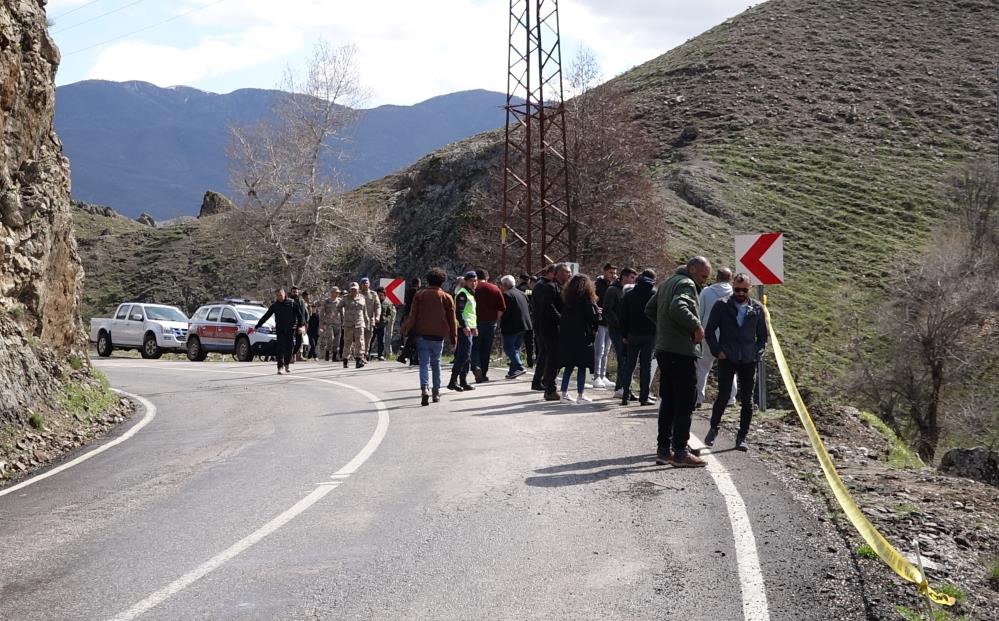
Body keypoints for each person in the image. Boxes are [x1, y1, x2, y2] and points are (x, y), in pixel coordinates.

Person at [645, 256, 712, 467]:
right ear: (692, 270)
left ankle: (664, 450)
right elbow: (678, 306)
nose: (703, 282)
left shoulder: (667, 282)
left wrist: (666, 329)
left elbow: (649, 309)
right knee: (684, 403)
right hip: (682, 351)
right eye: (702, 276)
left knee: (669, 401)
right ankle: (681, 452)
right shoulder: (686, 283)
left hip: (665, 349)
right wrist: (696, 327)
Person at [704, 273, 768, 451]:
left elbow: (763, 336)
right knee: (723, 396)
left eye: (744, 290)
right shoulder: (721, 305)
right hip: (728, 357)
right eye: (737, 289)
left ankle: (742, 437)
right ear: (732, 286)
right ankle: (714, 427)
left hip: (749, 359)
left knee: (747, 400)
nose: (740, 293)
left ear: (750, 288)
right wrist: (718, 351)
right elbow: (709, 331)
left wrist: (758, 353)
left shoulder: (757, 308)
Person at [402, 268, 457, 406]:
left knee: (423, 364)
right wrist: (453, 338)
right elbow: (452, 319)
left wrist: (407, 329)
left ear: (428, 280)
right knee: (436, 363)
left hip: (422, 334)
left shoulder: (420, 295)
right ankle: (436, 391)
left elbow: (413, 315)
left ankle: (424, 388)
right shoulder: (447, 297)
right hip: (438, 336)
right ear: (443, 282)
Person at [696, 267, 737, 408]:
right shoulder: (734, 293)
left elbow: (699, 313)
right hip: (729, 336)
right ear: (730, 278)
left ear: (717, 277)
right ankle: (730, 398)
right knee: (730, 367)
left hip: (708, 334)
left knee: (702, 367)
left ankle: (698, 398)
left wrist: (697, 331)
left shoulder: (706, 292)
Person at [557, 274, 600, 402]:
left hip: (568, 338)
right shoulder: (587, 301)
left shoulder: (567, 301)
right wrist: (597, 313)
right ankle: (580, 395)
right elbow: (594, 320)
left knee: (569, 366)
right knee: (582, 366)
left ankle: (563, 393)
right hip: (583, 337)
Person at [619, 269, 658, 405]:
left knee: (629, 365)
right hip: (650, 335)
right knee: (646, 367)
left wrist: (624, 335)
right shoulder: (654, 294)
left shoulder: (629, 295)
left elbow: (623, 317)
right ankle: (643, 397)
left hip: (632, 334)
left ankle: (625, 396)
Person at [536, 263, 571, 401]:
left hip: (561, 329)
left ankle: (548, 381)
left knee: (560, 359)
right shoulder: (550, 287)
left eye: (569, 272)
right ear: (558, 273)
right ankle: (550, 389)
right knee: (553, 358)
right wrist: (561, 319)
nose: (568, 274)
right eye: (565, 272)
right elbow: (549, 307)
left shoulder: (565, 288)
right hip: (550, 329)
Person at [603, 268, 638, 397]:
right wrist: (619, 324)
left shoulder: (631, 290)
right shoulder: (613, 290)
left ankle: (621, 387)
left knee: (626, 359)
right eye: (632, 277)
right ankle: (622, 389)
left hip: (627, 331)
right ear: (624, 277)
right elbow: (607, 310)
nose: (633, 280)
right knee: (623, 358)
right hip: (617, 330)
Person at [255, 288, 303, 375]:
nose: (279, 297)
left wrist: (300, 326)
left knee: (290, 348)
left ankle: (287, 363)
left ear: (284, 294)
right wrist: (257, 326)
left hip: (290, 329)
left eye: (280, 295)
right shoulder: (275, 305)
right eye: (277, 296)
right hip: (280, 329)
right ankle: (280, 367)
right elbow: (266, 316)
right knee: (280, 348)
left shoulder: (292, 303)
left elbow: (300, 316)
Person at [470, 269, 506, 383]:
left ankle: (476, 366)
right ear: (488, 277)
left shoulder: (473, 288)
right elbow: (501, 308)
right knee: (486, 349)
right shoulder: (495, 288)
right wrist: (495, 319)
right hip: (490, 323)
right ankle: (483, 374)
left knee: (474, 346)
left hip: (475, 322)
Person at [448, 271, 478, 392]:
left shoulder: (471, 293)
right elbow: (459, 312)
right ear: (466, 281)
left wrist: (474, 326)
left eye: (475, 280)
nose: (474, 283)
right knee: (463, 355)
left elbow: (471, 313)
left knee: (467, 356)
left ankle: (463, 381)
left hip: (470, 328)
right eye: (471, 281)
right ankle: (452, 381)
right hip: (463, 329)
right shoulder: (462, 294)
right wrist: (465, 326)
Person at [499, 274, 532, 379]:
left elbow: (506, 312)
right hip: (524, 325)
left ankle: (519, 366)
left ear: (505, 285)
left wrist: (500, 323)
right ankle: (512, 371)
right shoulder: (523, 294)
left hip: (512, 326)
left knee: (508, 348)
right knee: (516, 348)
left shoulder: (506, 295)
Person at [530, 265, 557, 392]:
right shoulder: (541, 286)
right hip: (541, 323)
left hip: (544, 323)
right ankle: (538, 380)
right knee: (544, 353)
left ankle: (545, 379)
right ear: (550, 273)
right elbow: (544, 306)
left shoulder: (547, 285)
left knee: (547, 353)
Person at [593, 263, 618, 389]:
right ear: (604, 272)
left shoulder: (614, 286)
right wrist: (597, 309)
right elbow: (592, 299)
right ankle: (596, 376)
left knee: (606, 350)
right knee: (599, 349)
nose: (613, 275)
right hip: (600, 322)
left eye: (614, 273)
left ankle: (603, 375)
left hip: (610, 323)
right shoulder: (597, 285)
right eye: (611, 273)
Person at [338, 282, 370, 368]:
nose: (353, 291)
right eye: (352, 289)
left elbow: (365, 311)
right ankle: (345, 360)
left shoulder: (362, 298)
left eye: (355, 289)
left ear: (358, 290)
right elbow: (339, 307)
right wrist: (342, 315)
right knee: (348, 342)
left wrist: (367, 321)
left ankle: (359, 360)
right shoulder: (345, 298)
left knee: (360, 342)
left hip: (359, 323)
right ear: (349, 290)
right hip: (348, 324)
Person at [397, 276, 422, 364]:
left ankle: (412, 358)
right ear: (418, 283)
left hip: (407, 315)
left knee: (413, 337)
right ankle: (405, 355)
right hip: (413, 316)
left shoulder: (408, 291)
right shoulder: (416, 292)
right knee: (413, 336)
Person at [516, 273, 535, 367]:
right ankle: (530, 361)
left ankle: (516, 361)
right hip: (530, 318)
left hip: (519, 318)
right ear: (528, 280)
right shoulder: (530, 290)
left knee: (517, 342)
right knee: (529, 342)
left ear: (520, 279)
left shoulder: (517, 289)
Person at [317, 287, 342, 362]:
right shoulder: (326, 302)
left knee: (337, 340)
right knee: (331, 338)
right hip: (329, 323)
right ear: (332, 293)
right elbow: (321, 313)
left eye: (338, 292)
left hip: (338, 323)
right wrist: (321, 325)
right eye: (336, 292)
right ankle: (327, 351)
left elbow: (342, 312)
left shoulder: (340, 301)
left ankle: (334, 356)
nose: (337, 294)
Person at [359, 277, 381, 360]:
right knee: (360, 338)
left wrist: (377, 316)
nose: (365, 285)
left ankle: (365, 354)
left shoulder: (373, 294)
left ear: (369, 284)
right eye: (363, 283)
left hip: (370, 320)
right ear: (361, 285)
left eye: (366, 283)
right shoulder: (358, 294)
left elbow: (378, 306)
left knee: (368, 339)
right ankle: (360, 355)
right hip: (360, 320)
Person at [375, 288, 397, 360]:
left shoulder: (387, 304)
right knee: (370, 340)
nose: (380, 296)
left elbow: (389, 314)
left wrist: (386, 320)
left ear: (384, 295)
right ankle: (366, 354)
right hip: (373, 324)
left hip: (382, 324)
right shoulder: (374, 302)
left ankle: (380, 355)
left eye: (382, 295)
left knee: (381, 341)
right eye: (379, 295)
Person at [289, 286, 308, 363]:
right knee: (289, 341)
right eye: (294, 292)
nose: (295, 293)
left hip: (300, 325)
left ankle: (291, 354)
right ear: (291, 292)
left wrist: (305, 322)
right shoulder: (289, 301)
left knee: (299, 342)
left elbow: (306, 312)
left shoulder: (301, 301)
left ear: (298, 292)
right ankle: (289, 356)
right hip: (291, 324)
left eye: (296, 292)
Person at [305, 293, 320, 359]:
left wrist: (320, 330)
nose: (313, 308)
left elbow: (319, 324)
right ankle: (315, 356)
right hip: (309, 332)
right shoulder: (308, 316)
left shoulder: (317, 316)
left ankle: (309, 356)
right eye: (312, 307)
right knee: (313, 345)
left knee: (315, 345)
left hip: (316, 332)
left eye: (314, 307)